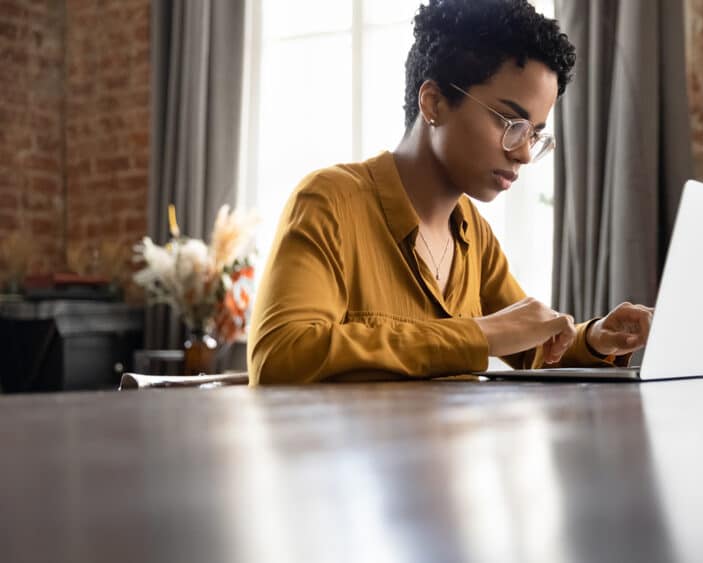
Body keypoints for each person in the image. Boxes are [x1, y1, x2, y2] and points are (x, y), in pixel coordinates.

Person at [248, 0, 653, 384]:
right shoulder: (330, 202)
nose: (525, 153)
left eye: (535, 135)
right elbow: (280, 356)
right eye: (510, 123)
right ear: (435, 103)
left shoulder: (473, 235)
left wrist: (595, 337)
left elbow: (533, 347)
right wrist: (477, 335)